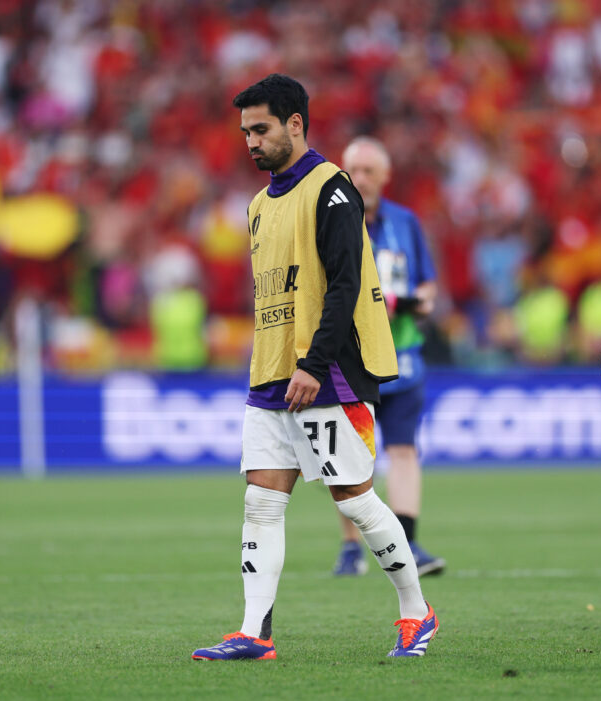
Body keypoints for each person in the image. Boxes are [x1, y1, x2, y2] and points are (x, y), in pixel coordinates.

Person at [192, 74, 437, 661]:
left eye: (262, 129)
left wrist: (313, 362)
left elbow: (344, 284)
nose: (251, 141)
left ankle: (416, 611)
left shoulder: (333, 189)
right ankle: (254, 632)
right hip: (271, 376)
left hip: (328, 376)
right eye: (245, 131)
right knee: (261, 501)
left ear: (295, 124)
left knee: (354, 500)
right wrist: (279, 364)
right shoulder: (257, 205)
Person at [331, 136, 445, 577]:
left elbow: (428, 286)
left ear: (385, 177)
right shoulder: (332, 220)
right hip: (351, 358)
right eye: (353, 170)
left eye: (368, 171)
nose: (360, 179)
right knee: (349, 456)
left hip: (402, 356)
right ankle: (350, 548)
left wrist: (414, 301)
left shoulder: (405, 222)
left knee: (402, 451)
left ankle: (409, 543)